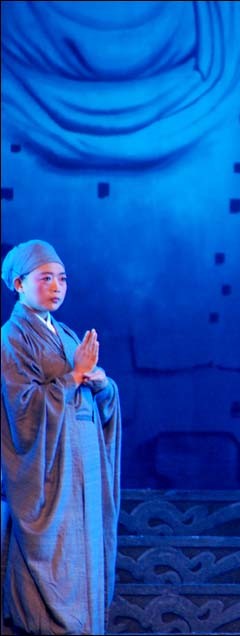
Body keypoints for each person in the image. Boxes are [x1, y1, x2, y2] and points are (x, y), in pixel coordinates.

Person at [0, 239, 122, 635]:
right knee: (53, 563)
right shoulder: (12, 338)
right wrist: (74, 376)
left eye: (63, 279)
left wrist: (102, 385)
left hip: (83, 466)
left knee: (85, 555)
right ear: (19, 284)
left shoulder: (66, 334)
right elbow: (22, 408)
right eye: (46, 278)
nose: (57, 287)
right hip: (51, 472)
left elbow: (93, 393)